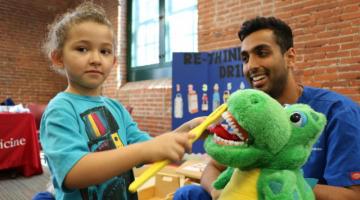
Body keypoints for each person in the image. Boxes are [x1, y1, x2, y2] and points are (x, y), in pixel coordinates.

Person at [174, 16, 360, 200]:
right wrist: (219, 192)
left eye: (262, 53)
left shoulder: (337, 112)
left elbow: (352, 195)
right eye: (245, 58)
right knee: (188, 194)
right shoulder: (250, 113)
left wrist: (282, 183)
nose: (251, 66)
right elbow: (214, 167)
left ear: (290, 57)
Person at [39, 2, 201, 200]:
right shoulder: (60, 109)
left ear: (114, 61)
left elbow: (148, 146)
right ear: (58, 58)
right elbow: (73, 172)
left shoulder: (115, 108)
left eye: (105, 51)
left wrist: (185, 132)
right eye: (82, 49)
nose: (96, 59)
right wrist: (144, 150)